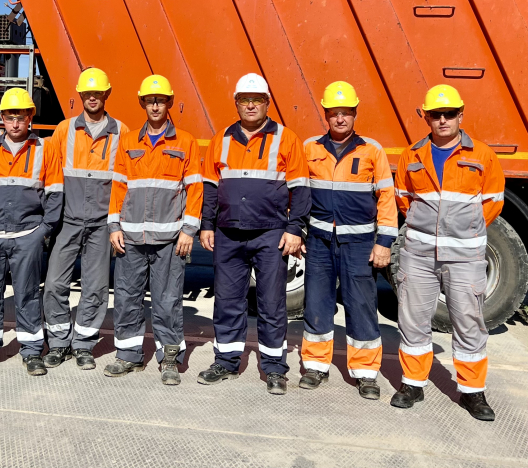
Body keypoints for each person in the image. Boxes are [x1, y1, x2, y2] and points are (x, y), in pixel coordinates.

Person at [391, 85, 504, 421]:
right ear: (425, 117)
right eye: (435, 115)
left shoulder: (482, 155)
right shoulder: (411, 155)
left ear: (461, 115)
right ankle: (412, 384)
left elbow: (493, 201)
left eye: (449, 114)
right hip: (419, 255)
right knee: (412, 320)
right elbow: (403, 199)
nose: (442, 120)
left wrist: (464, 231)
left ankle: (472, 392)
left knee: (469, 323)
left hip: (465, 258)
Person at [197, 73, 309, 395]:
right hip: (229, 233)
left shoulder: (286, 139)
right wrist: (207, 224)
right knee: (228, 301)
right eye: (244, 99)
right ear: (236, 103)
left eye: (257, 99)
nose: (250, 105)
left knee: (272, 303)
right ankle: (227, 360)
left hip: (270, 234)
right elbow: (210, 186)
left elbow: (300, 189)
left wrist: (295, 228)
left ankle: (274, 368)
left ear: (267, 103)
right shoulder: (222, 138)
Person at [299, 81, 398, 399]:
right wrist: (296, 230)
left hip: (359, 244)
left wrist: (384, 242)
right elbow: (297, 193)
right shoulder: (310, 148)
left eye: (346, 113)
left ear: (355, 114)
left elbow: (386, 196)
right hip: (319, 242)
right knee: (316, 303)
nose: (340, 118)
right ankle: (315, 366)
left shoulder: (372, 150)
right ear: (325, 115)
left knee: (361, 306)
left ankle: (366, 373)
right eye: (334, 113)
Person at [105, 75, 202, 386]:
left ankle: (169, 359)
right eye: (150, 100)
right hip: (130, 237)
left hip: (170, 240)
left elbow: (195, 189)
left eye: (161, 100)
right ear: (143, 103)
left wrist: (188, 230)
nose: (156, 104)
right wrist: (113, 225)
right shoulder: (130, 141)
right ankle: (128, 355)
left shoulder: (184, 141)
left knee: (168, 299)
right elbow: (118, 186)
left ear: (169, 103)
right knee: (126, 297)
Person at [0, 88, 63, 376]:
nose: (15, 123)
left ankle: (31, 351)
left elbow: (55, 195)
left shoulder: (45, 150)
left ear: (31, 117)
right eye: (9, 116)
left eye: (21, 117)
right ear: (1, 118)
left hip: (27, 235)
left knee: (28, 294)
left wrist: (41, 232)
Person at [43, 68, 128, 370]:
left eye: (98, 92)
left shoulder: (122, 131)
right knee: (54, 283)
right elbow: (51, 176)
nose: (92, 97)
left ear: (107, 94)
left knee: (95, 288)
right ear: (80, 95)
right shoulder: (64, 130)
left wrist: (117, 224)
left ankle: (83, 345)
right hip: (68, 220)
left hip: (101, 224)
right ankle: (57, 342)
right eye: (87, 93)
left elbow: (126, 181)